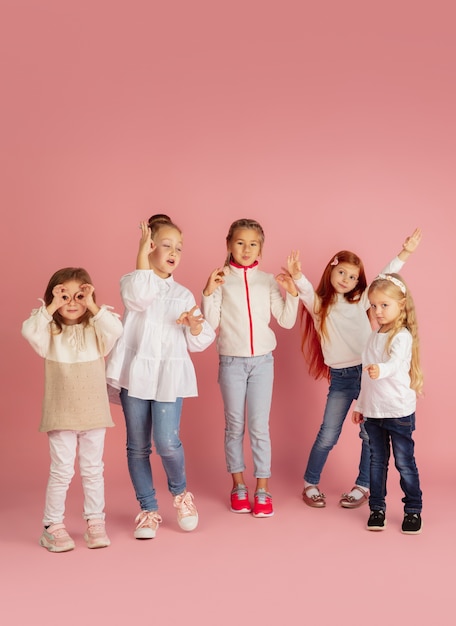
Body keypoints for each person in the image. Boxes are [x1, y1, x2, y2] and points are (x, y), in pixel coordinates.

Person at [288, 228, 422, 508]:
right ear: (331, 272)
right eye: (342, 273)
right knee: (328, 433)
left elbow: (385, 278)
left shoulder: (363, 301)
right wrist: (297, 274)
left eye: (352, 276)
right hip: (340, 378)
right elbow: (303, 290)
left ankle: (362, 485)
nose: (346, 280)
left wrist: (405, 253)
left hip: (367, 375)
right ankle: (310, 482)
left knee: (368, 435)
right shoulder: (320, 304)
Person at [106, 215, 215, 539]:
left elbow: (201, 338)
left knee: (167, 442)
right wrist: (141, 252)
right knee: (137, 446)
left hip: (168, 376)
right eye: (165, 245)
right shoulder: (133, 281)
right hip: (136, 375)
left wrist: (193, 325)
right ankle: (148, 509)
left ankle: (181, 495)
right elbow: (138, 297)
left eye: (179, 247)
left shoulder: (181, 294)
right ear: (150, 246)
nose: (174, 252)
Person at [201, 218, 299, 517]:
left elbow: (285, 320)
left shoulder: (268, 280)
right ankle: (238, 486)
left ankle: (263, 489)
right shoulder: (220, 279)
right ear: (229, 244)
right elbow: (211, 323)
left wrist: (292, 292)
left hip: (262, 363)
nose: (246, 249)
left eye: (253, 243)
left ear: (261, 248)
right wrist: (207, 291)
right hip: (231, 361)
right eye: (240, 242)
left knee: (259, 427)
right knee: (234, 427)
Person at [21, 267, 123, 552]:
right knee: (62, 471)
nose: (72, 301)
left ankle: (95, 522)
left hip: (94, 413)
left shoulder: (97, 329)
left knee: (93, 470)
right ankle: (52, 526)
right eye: (64, 295)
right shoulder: (48, 332)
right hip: (61, 413)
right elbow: (28, 330)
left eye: (79, 294)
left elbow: (117, 329)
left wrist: (92, 304)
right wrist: (52, 304)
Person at [352, 273, 423, 534]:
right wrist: (360, 406)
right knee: (376, 462)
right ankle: (377, 508)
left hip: (398, 411)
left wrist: (380, 370)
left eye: (384, 305)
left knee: (404, 463)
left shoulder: (402, 336)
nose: (378, 311)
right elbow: (365, 378)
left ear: (400, 305)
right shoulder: (372, 336)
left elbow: (393, 364)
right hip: (373, 412)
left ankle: (413, 510)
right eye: (373, 305)